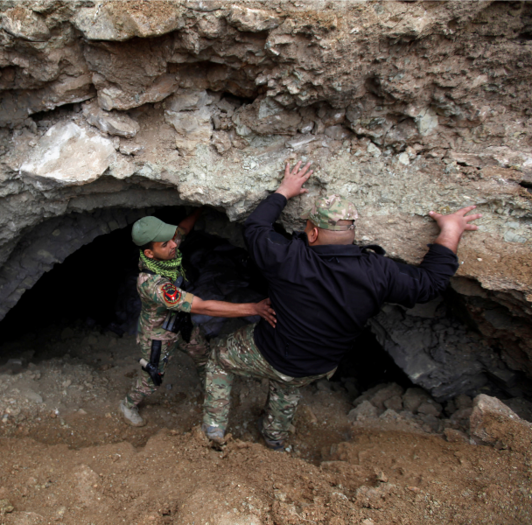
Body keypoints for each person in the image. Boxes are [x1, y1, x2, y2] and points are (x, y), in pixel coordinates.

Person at [202, 160, 482, 449]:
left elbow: (256, 227)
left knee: (220, 358)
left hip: (271, 353)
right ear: (353, 232)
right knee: (289, 382)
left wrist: (284, 190)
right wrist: (451, 230)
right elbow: (430, 283)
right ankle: (274, 438)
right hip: (320, 365)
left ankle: (213, 430)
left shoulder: (286, 258)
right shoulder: (378, 272)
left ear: (312, 233)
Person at [119, 210, 277, 427]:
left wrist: (199, 208)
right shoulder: (153, 285)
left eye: (171, 239)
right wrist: (254, 308)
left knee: (203, 354)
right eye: (165, 244)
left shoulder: (167, 252)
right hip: (159, 335)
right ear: (149, 253)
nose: (173, 245)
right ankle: (128, 403)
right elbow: (203, 306)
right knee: (152, 379)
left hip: (181, 323)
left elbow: (182, 229)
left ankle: (208, 386)